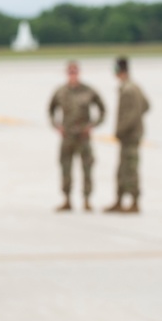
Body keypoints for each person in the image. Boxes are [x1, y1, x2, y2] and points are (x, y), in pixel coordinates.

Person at [48, 60, 106, 212]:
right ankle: (67, 199)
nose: (72, 75)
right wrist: (56, 125)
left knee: (87, 168)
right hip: (67, 136)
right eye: (70, 72)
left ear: (79, 73)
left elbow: (102, 109)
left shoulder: (88, 91)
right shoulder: (60, 91)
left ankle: (87, 199)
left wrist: (93, 125)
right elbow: (51, 109)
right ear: (67, 73)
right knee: (65, 168)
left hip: (83, 136)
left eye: (75, 72)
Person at [104, 56, 150, 214]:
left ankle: (134, 202)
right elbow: (146, 105)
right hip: (131, 136)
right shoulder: (133, 86)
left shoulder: (129, 89)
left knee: (130, 169)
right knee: (123, 168)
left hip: (129, 137)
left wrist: (121, 130)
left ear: (119, 71)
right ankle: (120, 200)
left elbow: (134, 113)